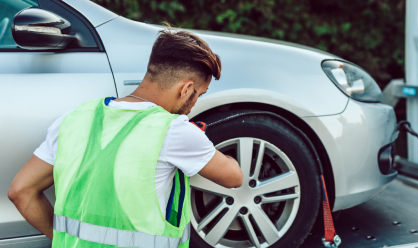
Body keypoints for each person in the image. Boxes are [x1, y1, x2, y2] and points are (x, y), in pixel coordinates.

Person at [7, 28, 243, 247]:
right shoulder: (174, 131)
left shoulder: (73, 119)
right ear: (185, 88)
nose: (193, 105)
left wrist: (63, 238)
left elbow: (21, 191)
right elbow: (234, 177)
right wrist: (201, 143)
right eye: (198, 94)